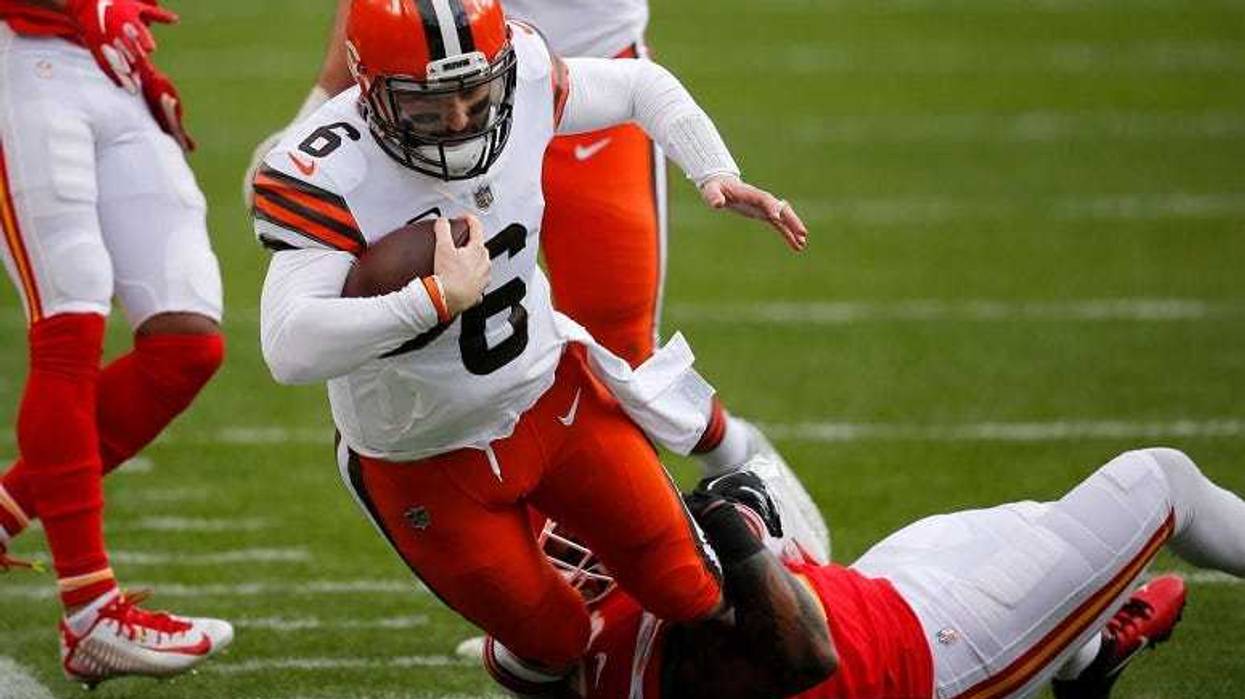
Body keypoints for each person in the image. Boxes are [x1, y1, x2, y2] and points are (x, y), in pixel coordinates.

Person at [252, 0, 807, 686]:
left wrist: (712, 168)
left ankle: (740, 497)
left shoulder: (524, 76)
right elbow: (287, 344)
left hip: (552, 398)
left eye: (474, 94)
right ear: (368, 89)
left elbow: (639, 85)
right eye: (428, 105)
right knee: (557, 641)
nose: (458, 120)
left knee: (693, 591)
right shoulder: (327, 168)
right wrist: (428, 300)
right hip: (420, 458)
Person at [245, 0, 786, 479]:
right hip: (423, 105)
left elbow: (638, 88)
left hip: (566, 80)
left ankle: (732, 455)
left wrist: (711, 164)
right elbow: (386, 18)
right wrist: (315, 111)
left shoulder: (537, 67)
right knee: (450, 342)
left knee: (622, 344)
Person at [491, 446, 1245, 698]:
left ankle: (1090, 654)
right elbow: (800, 651)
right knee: (1160, 481)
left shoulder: (552, 644)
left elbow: (527, 655)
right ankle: (1080, 647)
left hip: (877, 593)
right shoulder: (669, 654)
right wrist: (740, 529)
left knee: (1054, 529)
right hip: (929, 655)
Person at [0, 0, 233, 686]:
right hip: (21, 56)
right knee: (69, 328)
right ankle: (91, 613)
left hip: (107, 66)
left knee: (186, 343)